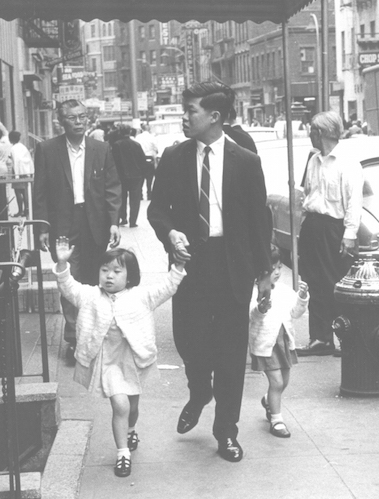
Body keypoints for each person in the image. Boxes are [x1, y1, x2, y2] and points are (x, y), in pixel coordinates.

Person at [147, 81, 272, 463]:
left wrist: (264, 271)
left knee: (231, 354)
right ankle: (199, 390)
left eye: (191, 111)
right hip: (190, 263)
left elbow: (258, 219)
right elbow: (156, 208)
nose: (184, 117)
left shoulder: (245, 161)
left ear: (214, 116)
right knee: (189, 341)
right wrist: (170, 233)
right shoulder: (174, 156)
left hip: (232, 263)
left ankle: (226, 432)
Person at [53, 240, 187, 478]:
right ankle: (122, 454)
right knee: (120, 405)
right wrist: (63, 263)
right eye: (104, 270)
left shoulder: (142, 297)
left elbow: (167, 287)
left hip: (133, 360)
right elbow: (69, 287)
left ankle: (131, 429)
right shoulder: (90, 296)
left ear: (130, 276)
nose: (109, 276)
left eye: (116, 271)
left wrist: (177, 266)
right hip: (107, 363)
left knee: (132, 407)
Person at [33, 99, 122, 362]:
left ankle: (94, 335)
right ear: (61, 121)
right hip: (63, 222)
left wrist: (114, 221)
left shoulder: (101, 148)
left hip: (95, 221)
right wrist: (42, 228)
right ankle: (73, 340)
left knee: (95, 280)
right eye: (72, 118)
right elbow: (40, 192)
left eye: (82, 116)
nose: (79, 121)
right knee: (69, 280)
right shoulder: (47, 150)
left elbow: (112, 187)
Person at [296, 111, 363, 357]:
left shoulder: (347, 162)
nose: (309, 136)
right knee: (314, 283)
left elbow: (354, 202)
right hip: (313, 225)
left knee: (335, 284)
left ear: (321, 132)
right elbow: (308, 195)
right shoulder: (313, 161)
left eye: (312, 131)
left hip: (334, 229)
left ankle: (347, 337)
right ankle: (320, 339)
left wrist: (350, 234)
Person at [249, 245, 308, 439]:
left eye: (279, 267)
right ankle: (276, 420)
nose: (277, 272)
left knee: (284, 381)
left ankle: (268, 400)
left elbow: (295, 313)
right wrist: (261, 309)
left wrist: (301, 298)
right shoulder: (254, 291)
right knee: (276, 382)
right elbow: (252, 318)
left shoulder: (283, 290)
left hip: (284, 341)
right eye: (272, 268)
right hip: (266, 343)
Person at [112, 125, 146, 228]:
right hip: (136, 176)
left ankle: (123, 218)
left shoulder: (117, 145)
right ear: (130, 132)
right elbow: (142, 161)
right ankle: (133, 221)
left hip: (121, 176)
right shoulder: (136, 145)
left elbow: (114, 161)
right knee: (135, 200)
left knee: (122, 198)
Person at [8, 131, 34, 217]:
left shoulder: (13, 148)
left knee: (18, 192)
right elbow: (29, 159)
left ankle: (20, 211)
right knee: (25, 192)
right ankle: (27, 210)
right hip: (26, 172)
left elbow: (16, 161)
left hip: (18, 172)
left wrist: (16, 176)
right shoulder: (23, 147)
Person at [133, 123, 159, 200]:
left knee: (141, 178)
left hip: (140, 159)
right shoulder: (152, 137)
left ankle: (140, 195)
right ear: (149, 129)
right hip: (150, 159)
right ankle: (149, 194)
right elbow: (156, 149)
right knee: (149, 178)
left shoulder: (138, 137)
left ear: (142, 129)